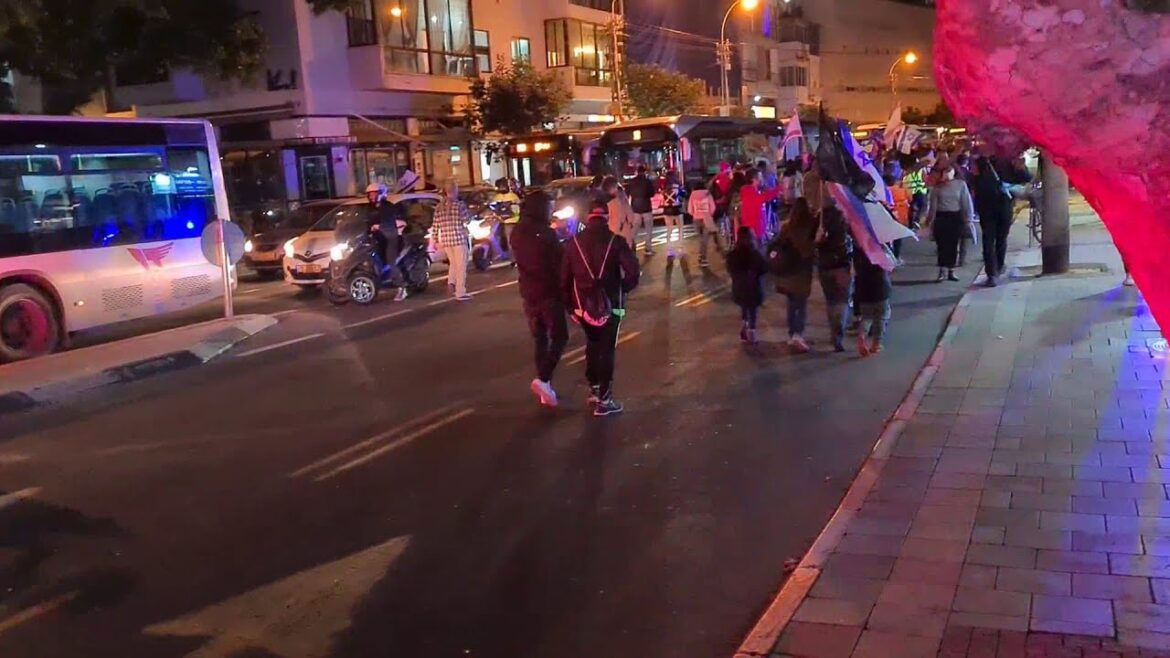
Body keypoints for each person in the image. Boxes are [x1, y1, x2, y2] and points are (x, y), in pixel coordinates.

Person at [562, 201, 640, 416]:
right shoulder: (616, 241)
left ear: (588, 218)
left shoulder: (573, 243)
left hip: (582, 306)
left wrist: (570, 307)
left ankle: (594, 388)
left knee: (592, 344)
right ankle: (605, 399)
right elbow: (633, 271)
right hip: (611, 305)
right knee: (607, 349)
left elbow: (565, 278)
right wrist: (622, 290)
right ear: (606, 217)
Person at [511, 190, 569, 407]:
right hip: (548, 292)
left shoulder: (518, 231)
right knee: (560, 336)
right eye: (549, 207)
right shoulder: (545, 233)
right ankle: (544, 379)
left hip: (529, 292)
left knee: (540, 338)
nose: (551, 211)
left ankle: (546, 389)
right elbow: (556, 262)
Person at [771, 198, 818, 353]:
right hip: (802, 270)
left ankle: (792, 334)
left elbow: (774, 244)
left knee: (791, 304)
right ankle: (798, 334)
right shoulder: (811, 227)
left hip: (787, 272)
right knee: (801, 304)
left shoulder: (786, 227)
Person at [924, 163, 974, 282]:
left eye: (949, 171)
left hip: (955, 217)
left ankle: (951, 270)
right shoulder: (937, 187)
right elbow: (933, 206)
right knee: (941, 245)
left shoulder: (960, 185)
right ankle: (942, 270)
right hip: (941, 217)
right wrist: (929, 220)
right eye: (944, 172)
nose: (947, 174)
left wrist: (968, 218)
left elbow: (966, 202)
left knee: (953, 245)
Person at [970, 155, 1014, 287]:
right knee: (1000, 241)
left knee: (990, 242)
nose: (972, 168)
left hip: (990, 214)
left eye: (974, 166)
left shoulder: (979, 179)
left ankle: (992, 273)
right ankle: (997, 269)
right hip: (1003, 212)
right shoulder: (1003, 167)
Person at [817, 202, 853, 352]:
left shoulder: (820, 227)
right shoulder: (844, 228)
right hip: (841, 267)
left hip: (824, 268)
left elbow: (815, 245)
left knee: (830, 301)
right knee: (842, 300)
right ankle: (838, 331)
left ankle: (834, 330)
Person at [364, 183, 408, 302]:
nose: (372, 196)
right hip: (377, 240)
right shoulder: (369, 208)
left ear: (381, 193)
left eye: (374, 193)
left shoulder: (388, 207)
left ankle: (402, 287)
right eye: (370, 194)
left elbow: (389, 222)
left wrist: (380, 226)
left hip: (390, 238)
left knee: (391, 262)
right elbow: (365, 223)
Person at [433, 179, 473, 300]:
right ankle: (460, 291)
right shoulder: (459, 205)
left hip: (446, 240)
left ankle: (451, 281)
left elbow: (435, 225)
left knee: (453, 264)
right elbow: (467, 220)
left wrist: (435, 239)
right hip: (459, 239)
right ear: (455, 190)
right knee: (461, 266)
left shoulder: (439, 207)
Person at [727, 226, 769, 344]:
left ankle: (744, 323)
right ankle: (752, 330)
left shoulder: (733, 255)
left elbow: (730, 269)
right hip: (754, 287)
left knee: (744, 306)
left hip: (739, 288)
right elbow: (765, 268)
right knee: (753, 309)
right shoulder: (755, 254)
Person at [852, 247, 893, 356]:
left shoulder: (858, 250)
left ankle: (861, 335)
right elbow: (891, 264)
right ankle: (876, 344)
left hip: (863, 288)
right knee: (881, 316)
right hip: (880, 288)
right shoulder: (880, 247)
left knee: (867, 316)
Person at [738, 167, 782, 241]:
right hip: (755, 233)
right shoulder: (749, 193)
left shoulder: (753, 192)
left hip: (757, 232)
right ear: (753, 179)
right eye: (760, 177)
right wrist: (778, 189)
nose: (762, 179)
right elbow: (764, 197)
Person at [626, 165, 656, 255]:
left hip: (635, 207)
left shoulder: (632, 182)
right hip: (646, 207)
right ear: (644, 172)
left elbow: (628, 193)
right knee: (648, 229)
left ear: (637, 172)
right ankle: (648, 249)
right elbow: (652, 193)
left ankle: (630, 246)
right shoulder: (647, 182)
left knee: (634, 229)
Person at [688, 181, 719, 266]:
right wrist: (709, 214)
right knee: (705, 239)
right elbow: (713, 207)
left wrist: (695, 214)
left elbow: (690, 209)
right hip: (706, 218)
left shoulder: (693, 195)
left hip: (696, 219)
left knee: (701, 238)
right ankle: (703, 258)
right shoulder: (708, 194)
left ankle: (701, 256)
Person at [884, 173, 912, 264]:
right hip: (901, 218)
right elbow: (910, 198)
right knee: (898, 239)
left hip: (888, 217)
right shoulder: (902, 189)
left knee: (887, 239)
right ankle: (896, 257)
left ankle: (889, 257)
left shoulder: (885, 191)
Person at [493, 177, 521, 256]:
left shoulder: (511, 196)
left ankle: (513, 256)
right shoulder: (512, 196)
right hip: (508, 222)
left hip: (510, 222)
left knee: (511, 240)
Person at [603, 176, 635, 245]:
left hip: (614, 233)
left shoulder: (605, 201)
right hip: (622, 232)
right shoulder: (620, 198)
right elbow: (629, 215)